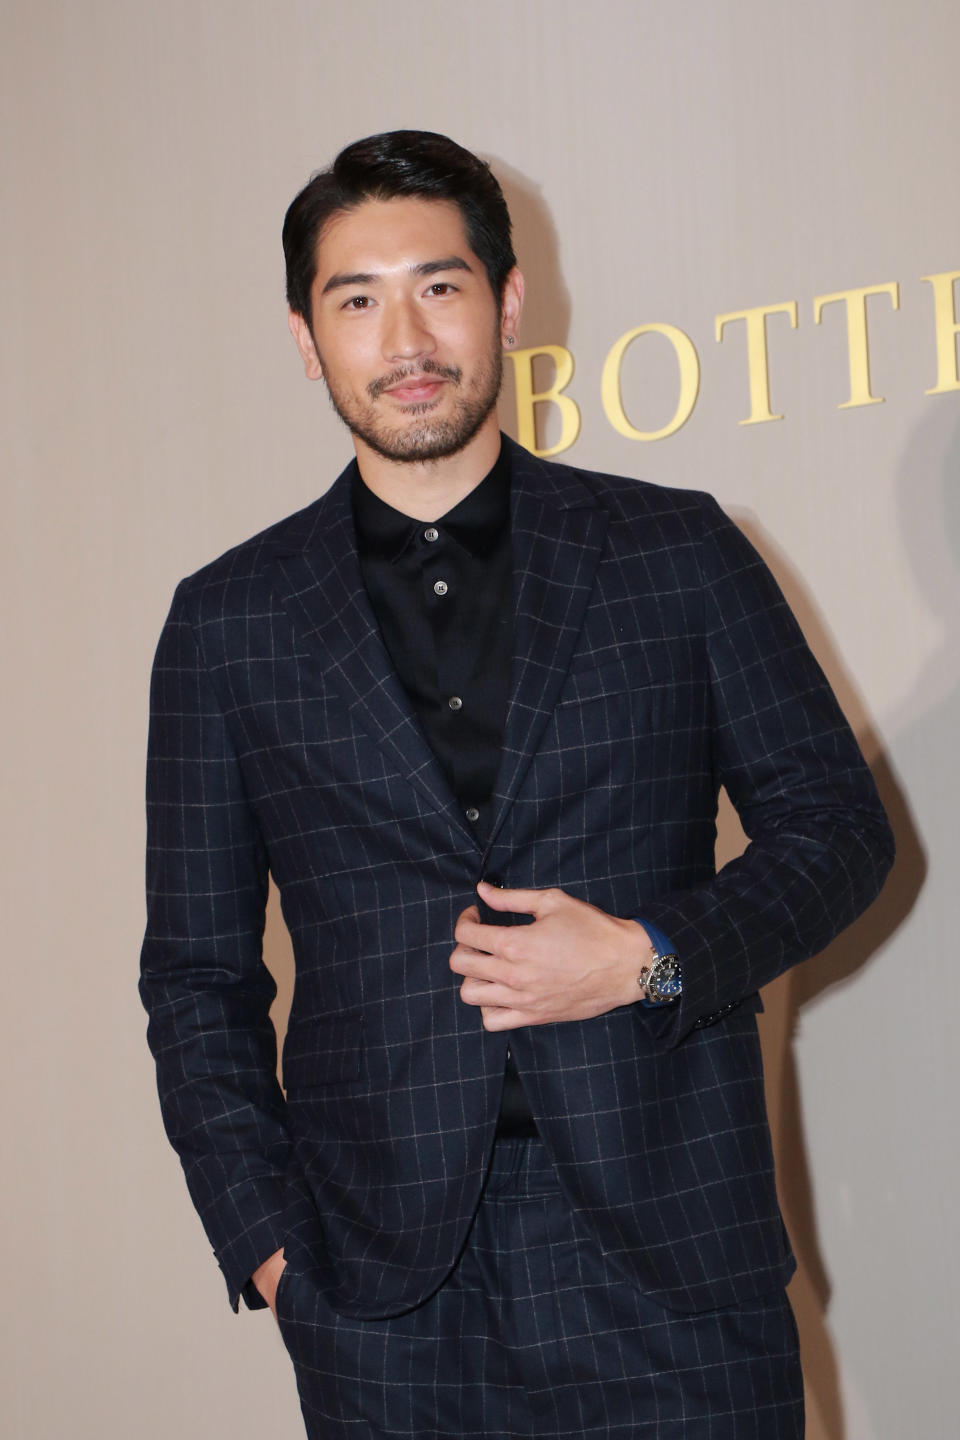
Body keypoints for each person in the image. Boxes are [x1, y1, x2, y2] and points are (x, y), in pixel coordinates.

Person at [140, 130, 894, 1439]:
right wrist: (270, 1250)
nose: (405, 336)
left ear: (509, 302)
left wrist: (650, 957)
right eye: (356, 299)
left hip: (671, 1268)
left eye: (439, 286)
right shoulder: (227, 623)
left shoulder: (678, 552)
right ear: (307, 339)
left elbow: (838, 833)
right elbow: (195, 980)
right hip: (382, 1298)